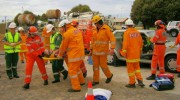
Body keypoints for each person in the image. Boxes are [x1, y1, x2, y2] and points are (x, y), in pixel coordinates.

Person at [58, 19, 85, 92]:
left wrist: (60, 54)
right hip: (80, 53)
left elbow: (63, 46)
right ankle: (81, 81)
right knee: (77, 68)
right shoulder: (77, 30)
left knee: (72, 70)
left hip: (74, 55)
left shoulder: (67, 34)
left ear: (65, 26)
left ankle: (76, 87)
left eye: (62, 28)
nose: (61, 29)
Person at [120, 19, 145, 88]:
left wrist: (123, 52)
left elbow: (125, 44)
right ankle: (140, 81)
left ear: (126, 25)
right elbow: (141, 43)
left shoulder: (126, 33)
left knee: (130, 70)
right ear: (132, 25)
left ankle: (132, 83)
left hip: (130, 55)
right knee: (137, 68)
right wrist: (140, 51)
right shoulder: (137, 32)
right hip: (137, 54)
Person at [91, 15, 115, 86]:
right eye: (95, 24)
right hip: (95, 52)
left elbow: (112, 39)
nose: (95, 25)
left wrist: (112, 48)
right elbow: (93, 40)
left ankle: (109, 75)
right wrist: (91, 49)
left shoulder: (106, 29)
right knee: (95, 67)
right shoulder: (94, 30)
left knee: (103, 65)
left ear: (98, 22)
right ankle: (96, 80)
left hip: (103, 52)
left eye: (95, 23)